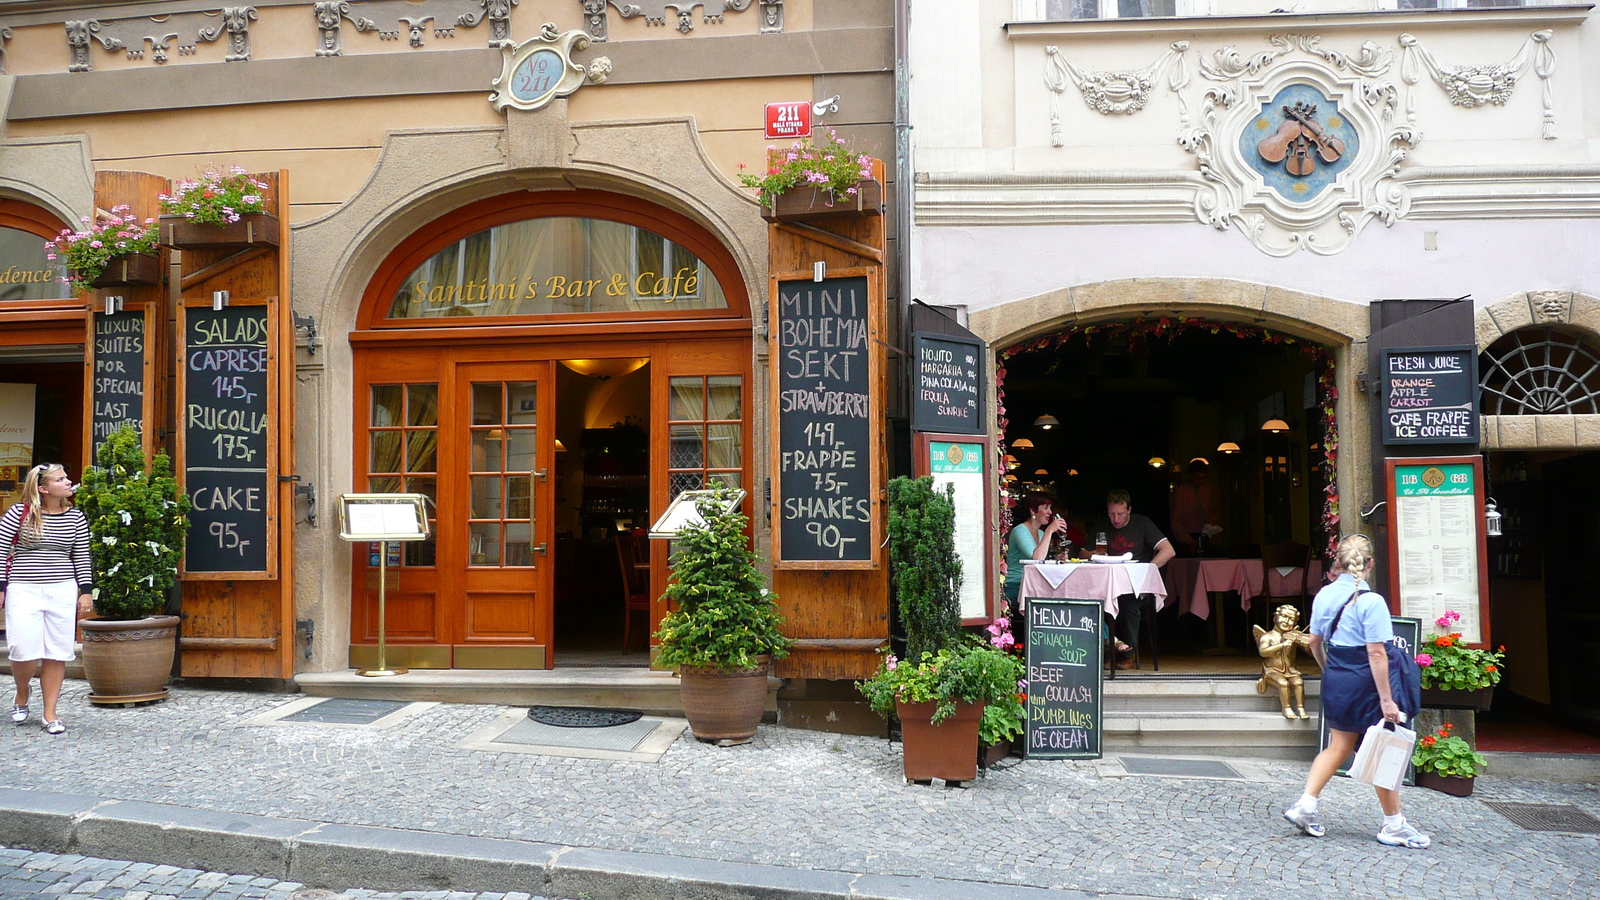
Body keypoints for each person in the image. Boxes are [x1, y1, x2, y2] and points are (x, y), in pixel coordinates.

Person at [1283, 534, 1428, 849]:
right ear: (1370, 564)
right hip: (1367, 681)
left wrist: (1329, 670)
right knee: (1384, 748)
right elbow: (1376, 653)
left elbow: (1314, 642)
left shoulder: (1323, 595)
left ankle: (1306, 806)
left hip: (1337, 675)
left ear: (1337, 564)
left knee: (1339, 746)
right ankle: (1393, 825)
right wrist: (1387, 700)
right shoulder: (1372, 601)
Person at [1, 464, 95, 735]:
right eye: (61, 479)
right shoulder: (19, 514)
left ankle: (50, 712)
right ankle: (22, 692)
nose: (69, 482)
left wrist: (86, 591)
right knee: (22, 651)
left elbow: (81, 555)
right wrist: (1, 586)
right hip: (23, 588)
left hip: (61, 589)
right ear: (43, 488)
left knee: (56, 652)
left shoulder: (76, 517)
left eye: (66, 477)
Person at [1089, 489, 1175, 669]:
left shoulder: (1142, 523)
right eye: (1111, 514)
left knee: (1127, 605)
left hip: (1134, 585)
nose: (1116, 519)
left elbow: (1168, 550)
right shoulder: (1101, 524)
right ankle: (1105, 652)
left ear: (1129, 510)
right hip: (1105, 584)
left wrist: (1148, 569)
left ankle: (1128, 654)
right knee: (1093, 603)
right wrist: (1095, 554)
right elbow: (1081, 551)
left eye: (1120, 514)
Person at [1003, 494, 1079, 612]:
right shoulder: (1020, 531)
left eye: (1050, 508)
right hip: (1016, 584)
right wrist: (1049, 530)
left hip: (1034, 584)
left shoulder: (1040, 533)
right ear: (1033, 510)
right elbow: (1036, 558)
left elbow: (1041, 561)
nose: (1050, 512)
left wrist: (1056, 559)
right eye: (1045, 507)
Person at [1254, 604, 1313, 719]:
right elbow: (1263, 651)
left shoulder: (1293, 636)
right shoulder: (1267, 636)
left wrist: (1307, 644)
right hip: (1272, 671)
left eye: (1291, 619)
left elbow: (1310, 652)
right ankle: (1286, 708)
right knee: (1283, 683)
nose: (1287, 621)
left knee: (1298, 683)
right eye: (1284, 616)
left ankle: (1301, 708)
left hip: (1290, 671)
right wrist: (1282, 645)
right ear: (1275, 618)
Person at [1169, 458, 1221, 557]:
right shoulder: (1181, 493)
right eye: (1198, 478)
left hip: (1206, 534)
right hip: (1188, 537)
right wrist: (1188, 540)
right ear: (1190, 476)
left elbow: (1211, 511)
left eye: (1203, 478)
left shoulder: (1206, 490)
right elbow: (1176, 521)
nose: (1201, 481)